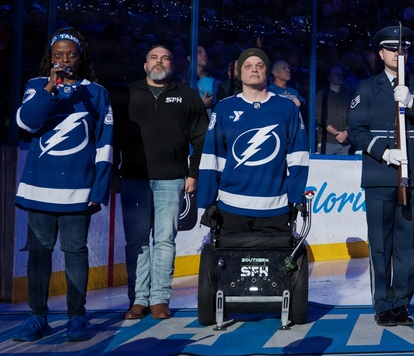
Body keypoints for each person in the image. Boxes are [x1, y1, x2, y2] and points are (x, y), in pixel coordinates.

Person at [12, 28, 113, 341]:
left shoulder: (95, 92)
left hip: (77, 190)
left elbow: (105, 144)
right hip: (39, 188)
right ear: (50, 58)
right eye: (58, 55)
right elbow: (26, 123)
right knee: (39, 254)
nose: (65, 60)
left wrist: (99, 188)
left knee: (75, 252)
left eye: (71, 54)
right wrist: (50, 89)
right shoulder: (36, 86)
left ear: (80, 58)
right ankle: (37, 318)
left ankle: (76, 317)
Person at [347, 26, 414, 327]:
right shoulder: (367, 87)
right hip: (379, 173)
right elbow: (356, 131)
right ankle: (383, 304)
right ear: (380, 53)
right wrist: (384, 152)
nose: (396, 53)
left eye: (402, 48)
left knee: (409, 243)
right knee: (380, 242)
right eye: (391, 49)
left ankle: (401, 303)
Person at [113, 44, 208, 320]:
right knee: (137, 242)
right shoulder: (126, 94)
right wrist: (112, 172)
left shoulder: (188, 96)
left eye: (165, 57)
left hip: (172, 180)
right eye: (154, 57)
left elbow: (201, 138)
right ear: (145, 65)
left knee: (165, 241)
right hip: (133, 179)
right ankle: (138, 300)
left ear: (173, 66)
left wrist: (193, 173)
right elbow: (112, 137)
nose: (159, 61)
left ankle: (159, 300)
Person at [197, 48, 309, 235]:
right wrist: (207, 201)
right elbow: (212, 157)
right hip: (231, 208)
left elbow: (299, 156)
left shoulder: (287, 108)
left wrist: (296, 196)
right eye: (248, 66)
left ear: (267, 72)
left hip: (275, 208)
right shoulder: (224, 108)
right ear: (240, 74)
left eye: (259, 66)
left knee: (277, 265)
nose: (254, 70)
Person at [315, 64, 352, 154]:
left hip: (345, 143)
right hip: (327, 142)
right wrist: (337, 133)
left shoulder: (347, 96)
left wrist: (345, 133)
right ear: (329, 78)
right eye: (336, 74)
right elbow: (320, 118)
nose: (340, 76)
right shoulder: (321, 95)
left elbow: (352, 117)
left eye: (341, 74)